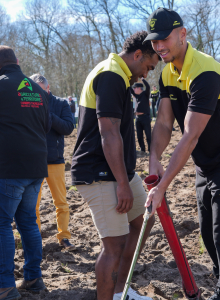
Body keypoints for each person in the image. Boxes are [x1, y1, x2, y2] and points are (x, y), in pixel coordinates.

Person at [144, 8, 220, 300]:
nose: (159, 47)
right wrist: (154, 158)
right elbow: (165, 122)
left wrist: (163, 185)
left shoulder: (205, 72)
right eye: (154, 41)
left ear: (182, 34)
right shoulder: (167, 72)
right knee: (208, 235)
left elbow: (190, 135)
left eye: (164, 39)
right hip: (206, 165)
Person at [71, 31, 160, 300]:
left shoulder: (120, 75)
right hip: (99, 172)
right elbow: (108, 134)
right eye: (148, 66)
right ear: (136, 56)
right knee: (114, 245)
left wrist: (126, 178)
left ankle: (122, 290)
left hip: (118, 170)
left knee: (143, 220)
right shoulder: (111, 75)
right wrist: (122, 184)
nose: (146, 74)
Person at [0, 46, 50, 299]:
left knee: (1, 223)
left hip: (9, 167)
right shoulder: (38, 91)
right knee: (28, 222)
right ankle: (33, 278)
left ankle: (5, 285)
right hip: (36, 166)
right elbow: (47, 124)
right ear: (17, 62)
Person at [30, 74, 75, 251]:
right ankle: (34, 238)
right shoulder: (27, 104)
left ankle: (64, 237)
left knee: (61, 202)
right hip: (33, 161)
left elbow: (68, 128)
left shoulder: (61, 104)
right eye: (34, 90)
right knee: (32, 204)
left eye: (41, 90)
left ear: (48, 89)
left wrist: (48, 114)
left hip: (55, 160)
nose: (37, 94)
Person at [131, 79, 151, 154]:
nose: (133, 89)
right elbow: (130, 89)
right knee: (139, 136)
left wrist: (142, 79)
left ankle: (150, 150)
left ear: (139, 88)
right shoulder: (136, 96)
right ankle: (142, 150)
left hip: (145, 117)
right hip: (137, 119)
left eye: (135, 88)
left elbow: (148, 86)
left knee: (148, 135)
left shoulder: (145, 94)